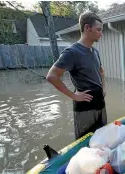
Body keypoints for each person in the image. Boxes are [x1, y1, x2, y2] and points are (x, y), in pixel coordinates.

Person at [46, 11, 107, 140]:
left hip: (100, 102)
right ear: (87, 28)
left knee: (102, 139)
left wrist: (104, 88)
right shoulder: (72, 52)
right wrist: (74, 96)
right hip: (85, 106)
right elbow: (51, 76)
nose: (101, 33)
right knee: (84, 142)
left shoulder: (95, 51)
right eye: (99, 29)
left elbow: (101, 71)